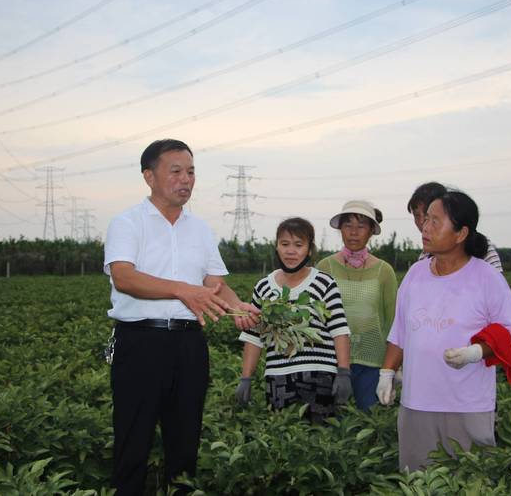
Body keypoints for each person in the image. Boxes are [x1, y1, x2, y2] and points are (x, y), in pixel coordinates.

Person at [103, 139, 260, 495]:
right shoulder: (127, 223)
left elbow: (213, 285)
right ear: (149, 176)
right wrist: (181, 289)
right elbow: (124, 278)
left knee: (185, 441)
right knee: (133, 442)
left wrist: (239, 307)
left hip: (188, 344)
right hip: (140, 342)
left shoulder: (200, 229)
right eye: (175, 171)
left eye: (190, 172)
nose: (185, 179)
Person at [377, 190, 511, 472]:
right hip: (416, 402)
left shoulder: (485, 277)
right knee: (417, 480)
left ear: (460, 233)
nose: (425, 228)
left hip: (466, 404)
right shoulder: (416, 274)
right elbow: (400, 331)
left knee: (469, 479)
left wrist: (474, 352)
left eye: (435, 221)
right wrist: (386, 372)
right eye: (425, 220)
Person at [235, 217, 352, 422]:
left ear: (309, 249)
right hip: (278, 377)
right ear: (277, 247)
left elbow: (339, 329)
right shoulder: (264, 287)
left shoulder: (324, 283)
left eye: (298, 245)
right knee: (283, 439)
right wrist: (246, 377)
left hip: (319, 375)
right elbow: (253, 337)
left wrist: (343, 372)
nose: (291, 251)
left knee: (320, 440)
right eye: (285, 244)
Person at [316, 200, 398, 411]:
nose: (354, 232)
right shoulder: (325, 267)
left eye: (361, 226)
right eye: (348, 226)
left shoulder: (384, 270)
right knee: (331, 422)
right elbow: (315, 315)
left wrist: (392, 367)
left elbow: (393, 321)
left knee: (370, 420)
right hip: (331, 358)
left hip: (372, 360)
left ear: (371, 231)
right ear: (340, 229)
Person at [407, 182, 503, 272]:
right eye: (417, 216)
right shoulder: (424, 259)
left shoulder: (483, 249)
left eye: (434, 219)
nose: (422, 223)